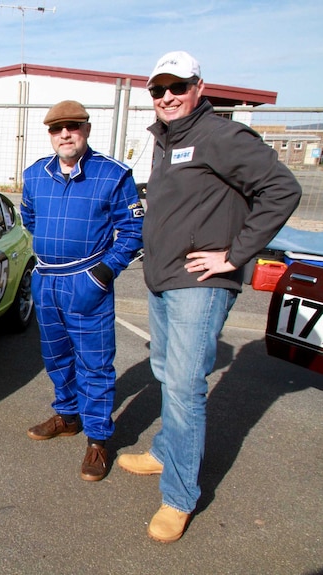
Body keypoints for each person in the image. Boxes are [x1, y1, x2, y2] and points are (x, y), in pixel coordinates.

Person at [116, 51, 301, 543]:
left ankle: (179, 497)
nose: (167, 97)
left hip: (199, 283)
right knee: (165, 372)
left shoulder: (220, 135)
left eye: (178, 86)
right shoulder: (166, 138)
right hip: (163, 278)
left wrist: (234, 254)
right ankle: (164, 452)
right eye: (158, 90)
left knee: (184, 387)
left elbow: (281, 189)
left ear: (200, 87)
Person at [21, 100, 144, 482]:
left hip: (87, 281)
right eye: (57, 129)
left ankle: (98, 439)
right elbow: (29, 217)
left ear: (86, 130)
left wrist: (103, 273)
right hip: (47, 281)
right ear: (50, 134)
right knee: (55, 356)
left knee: (94, 362)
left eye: (72, 127)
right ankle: (68, 416)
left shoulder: (113, 175)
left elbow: (134, 231)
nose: (65, 134)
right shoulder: (35, 174)